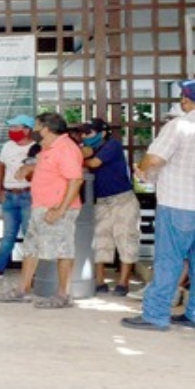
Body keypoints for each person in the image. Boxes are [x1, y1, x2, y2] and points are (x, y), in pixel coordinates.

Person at [121, 81, 195, 331]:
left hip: (180, 204)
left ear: (185, 100)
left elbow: (155, 158)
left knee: (169, 259)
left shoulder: (180, 124)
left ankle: (155, 314)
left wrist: (143, 171)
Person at [0, 112, 84, 308]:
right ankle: (22, 290)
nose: (33, 132)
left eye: (35, 127)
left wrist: (60, 209)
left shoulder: (66, 148)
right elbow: (46, 168)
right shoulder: (47, 148)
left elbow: (76, 180)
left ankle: (63, 295)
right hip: (40, 207)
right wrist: (28, 169)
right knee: (31, 248)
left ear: (46, 129)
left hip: (57, 209)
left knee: (62, 250)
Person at [79, 118, 141, 296]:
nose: (85, 136)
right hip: (102, 201)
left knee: (126, 239)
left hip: (123, 200)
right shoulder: (90, 149)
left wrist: (80, 156)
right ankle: (100, 281)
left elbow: (94, 164)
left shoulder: (112, 145)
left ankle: (123, 283)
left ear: (102, 133)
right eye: (83, 133)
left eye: (89, 132)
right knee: (101, 240)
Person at [0, 115, 36, 280]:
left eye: (15, 128)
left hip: (29, 195)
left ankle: (32, 273)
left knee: (30, 234)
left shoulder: (37, 148)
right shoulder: (7, 146)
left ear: (27, 129)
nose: (11, 131)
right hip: (9, 195)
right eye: (11, 128)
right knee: (8, 235)